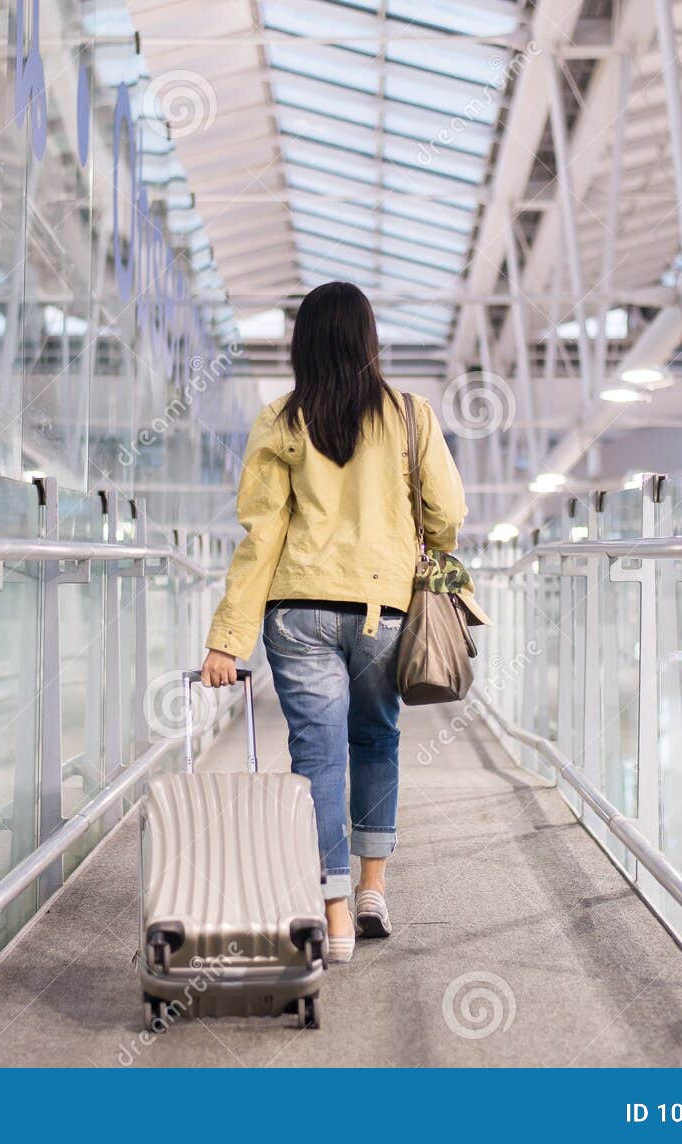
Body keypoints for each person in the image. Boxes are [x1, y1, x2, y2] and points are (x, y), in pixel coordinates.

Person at [200, 282, 469, 965]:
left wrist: (226, 640)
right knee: (375, 740)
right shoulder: (411, 415)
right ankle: (375, 885)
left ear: (303, 344)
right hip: (383, 610)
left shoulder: (280, 421)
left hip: (298, 613)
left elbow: (261, 534)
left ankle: (335, 912)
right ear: (368, 340)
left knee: (316, 756)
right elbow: (448, 516)